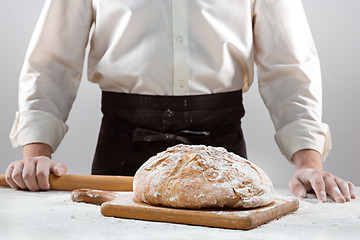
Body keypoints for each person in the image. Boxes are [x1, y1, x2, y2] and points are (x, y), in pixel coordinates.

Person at [5, 0, 355, 203]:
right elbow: (52, 59)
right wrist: (35, 156)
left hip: (223, 157)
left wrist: (308, 162)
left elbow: (288, 64)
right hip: (121, 149)